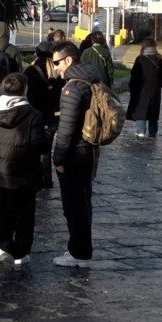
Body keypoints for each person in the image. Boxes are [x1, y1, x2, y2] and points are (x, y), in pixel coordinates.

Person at [51, 41, 101, 269]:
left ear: (68, 60)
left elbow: (67, 129)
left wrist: (58, 159)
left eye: (57, 63)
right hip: (88, 151)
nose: (55, 68)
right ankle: (80, 249)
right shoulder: (90, 79)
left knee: (74, 206)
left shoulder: (72, 88)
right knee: (83, 203)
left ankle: (79, 254)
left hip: (75, 154)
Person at [0, 73, 46, 267]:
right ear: (25, 90)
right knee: (25, 215)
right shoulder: (33, 115)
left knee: (4, 210)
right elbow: (40, 144)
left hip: (3, 171)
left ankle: (3, 245)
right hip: (26, 172)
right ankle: (20, 252)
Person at [23, 41, 62, 188]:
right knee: (46, 148)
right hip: (52, 115)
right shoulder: (57, 71)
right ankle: (46, 180)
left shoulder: (30, 70)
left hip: (33, 115)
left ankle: (34, 177)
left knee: (32, 147)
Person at [127, 38, 162, 139]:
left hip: (141, 91)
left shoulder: (140, 59)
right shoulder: (159, 59)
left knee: (141, 111)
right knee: (153, 112)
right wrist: (157, 86)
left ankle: (141, 132)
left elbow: (134, 76)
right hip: (155, 92)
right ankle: (153, 132)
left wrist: (132, 87)